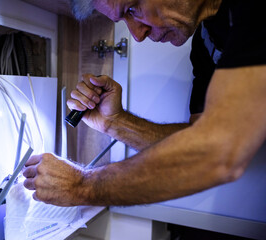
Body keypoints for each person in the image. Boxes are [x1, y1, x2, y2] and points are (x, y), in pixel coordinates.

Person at [23, 0, 266, 206]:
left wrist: (81, 186)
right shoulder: (205, 41)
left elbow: (219, 151)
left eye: (131, 9)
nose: (138, 35)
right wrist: (115, 122)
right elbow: (199, 136)